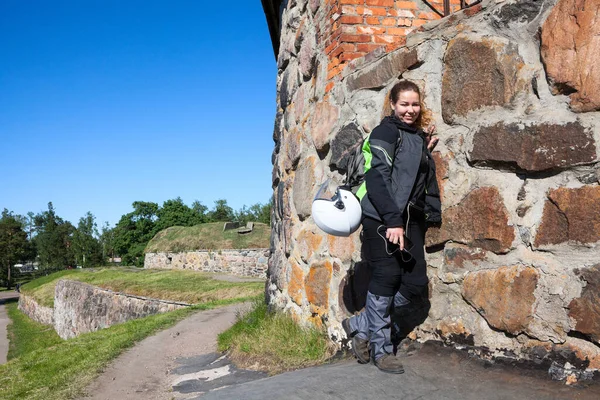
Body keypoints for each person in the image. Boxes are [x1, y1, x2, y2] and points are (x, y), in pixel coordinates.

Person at [342, 80, 442, 374]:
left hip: (409, 219)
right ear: (393, 105)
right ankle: (382, 350)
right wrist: (392, 221)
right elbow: (377, 178)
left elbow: (407, 174)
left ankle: (360, 325)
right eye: (404, 104)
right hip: (381, 218)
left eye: (415, 104)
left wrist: (423, 149)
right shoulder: (385, 131)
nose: (410, 110)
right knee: (386, 277)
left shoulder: (414, 137)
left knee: (414, 283)